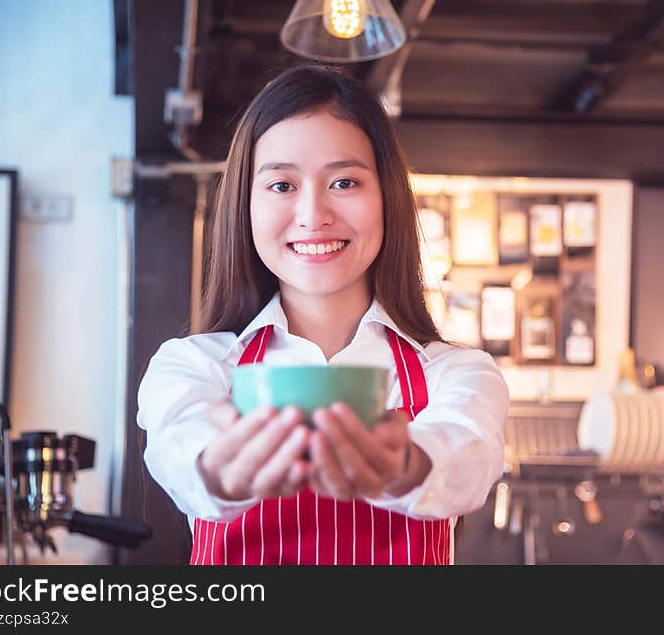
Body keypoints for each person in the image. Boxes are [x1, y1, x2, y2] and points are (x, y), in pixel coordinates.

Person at [137, 64, 509, 565]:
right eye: (281, 186)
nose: (313, 215)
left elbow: (469, 458)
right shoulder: (192, 365)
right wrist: (219, 472)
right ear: (244, 206)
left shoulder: (455, 373)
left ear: (387, 199)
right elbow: (179, 451)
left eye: (344, 182)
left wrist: (402, 465)